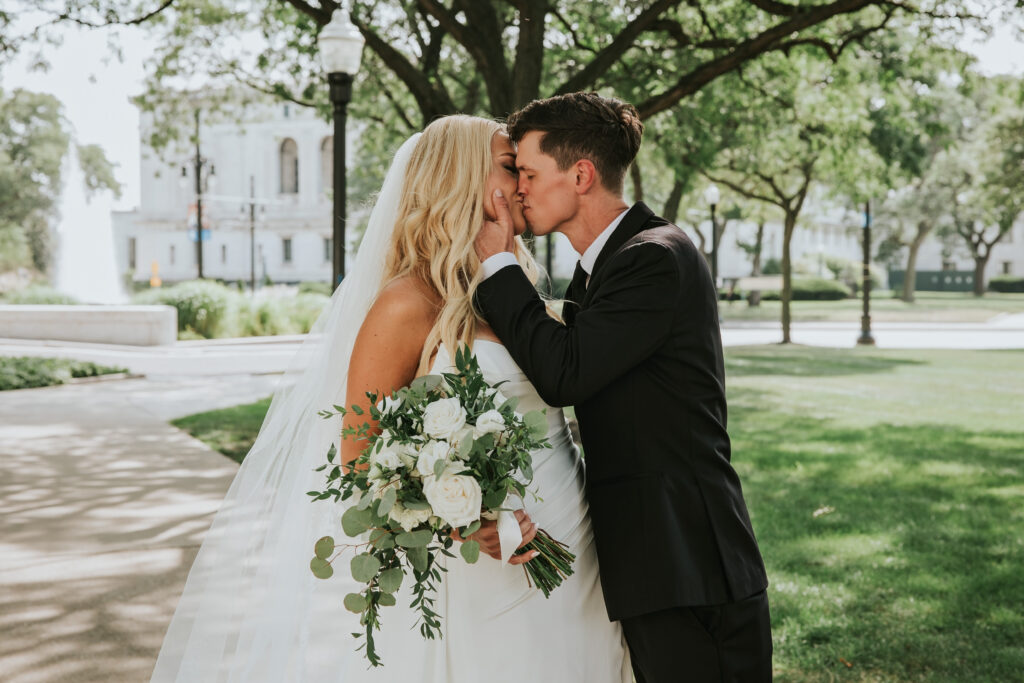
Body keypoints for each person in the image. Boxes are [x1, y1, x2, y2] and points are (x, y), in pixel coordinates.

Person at [151, 115, 631, 682]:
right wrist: (462, 514)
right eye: (510, 168)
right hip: (485, 562)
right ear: (460, 178)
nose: (524, 184)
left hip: (577, 537)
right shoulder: (407, 302)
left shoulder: (516, 287)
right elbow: (360, 455)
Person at [474, 92, 773, 682]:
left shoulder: (653, 258)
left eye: (529, 173)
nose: (520, 190)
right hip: (652, 564)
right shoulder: (602, 268)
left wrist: (498, 265)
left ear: (580, 174)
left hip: (689, 564)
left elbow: (564, 373)